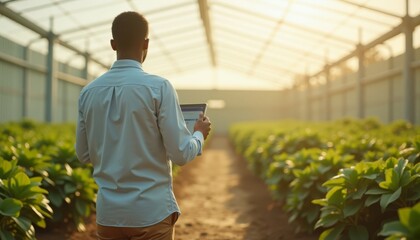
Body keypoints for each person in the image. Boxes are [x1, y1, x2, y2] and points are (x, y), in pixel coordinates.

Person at [75, 11, 211, 240]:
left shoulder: (88, 93)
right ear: (146, 43)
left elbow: (83, 154)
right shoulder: (159, 87)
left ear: (112, 44)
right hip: (151, 214)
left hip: (108, 217)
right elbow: (180, 154)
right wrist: (198, 135)